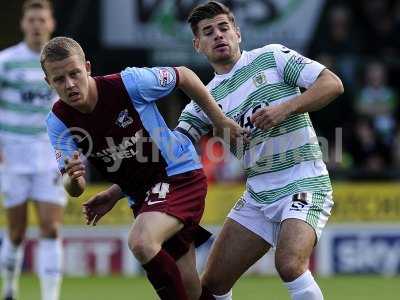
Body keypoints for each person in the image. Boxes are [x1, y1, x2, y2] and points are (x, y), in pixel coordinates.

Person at [42, 36, 245, 300]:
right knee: (189, 287)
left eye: (74, 73)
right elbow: (74, 187)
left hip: (178, 175)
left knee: (141, 241)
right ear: (48, 82)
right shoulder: (58, 121)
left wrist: (220, 120)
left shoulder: (128, 83)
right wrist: (75, 178)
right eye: (59, 79)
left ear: (88, 68)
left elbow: (183, 75)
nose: (69, 84)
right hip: (144, 196)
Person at [176, 2, 344, 300]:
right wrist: (117, 188)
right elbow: (172, 148)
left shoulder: (272, 57)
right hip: (257, 193)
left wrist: (286, 108)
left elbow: (332, 84)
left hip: (303, 178)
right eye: (208, 31)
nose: (218, 35)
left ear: (238, 33)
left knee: (289, 264)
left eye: (224, 28)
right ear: (197, 44)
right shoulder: (205, 98)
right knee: (211, 285)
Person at [0, 1, 65, 300]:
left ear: (51, 23)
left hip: (49, 153)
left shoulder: (62, 61)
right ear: (24, 24)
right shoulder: (6, 60)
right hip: (12, 154)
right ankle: (10, 287)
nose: (37, 24)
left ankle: (49, 297)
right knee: (16, 232)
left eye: (42, 19)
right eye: (32, 19)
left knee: (50, 228)